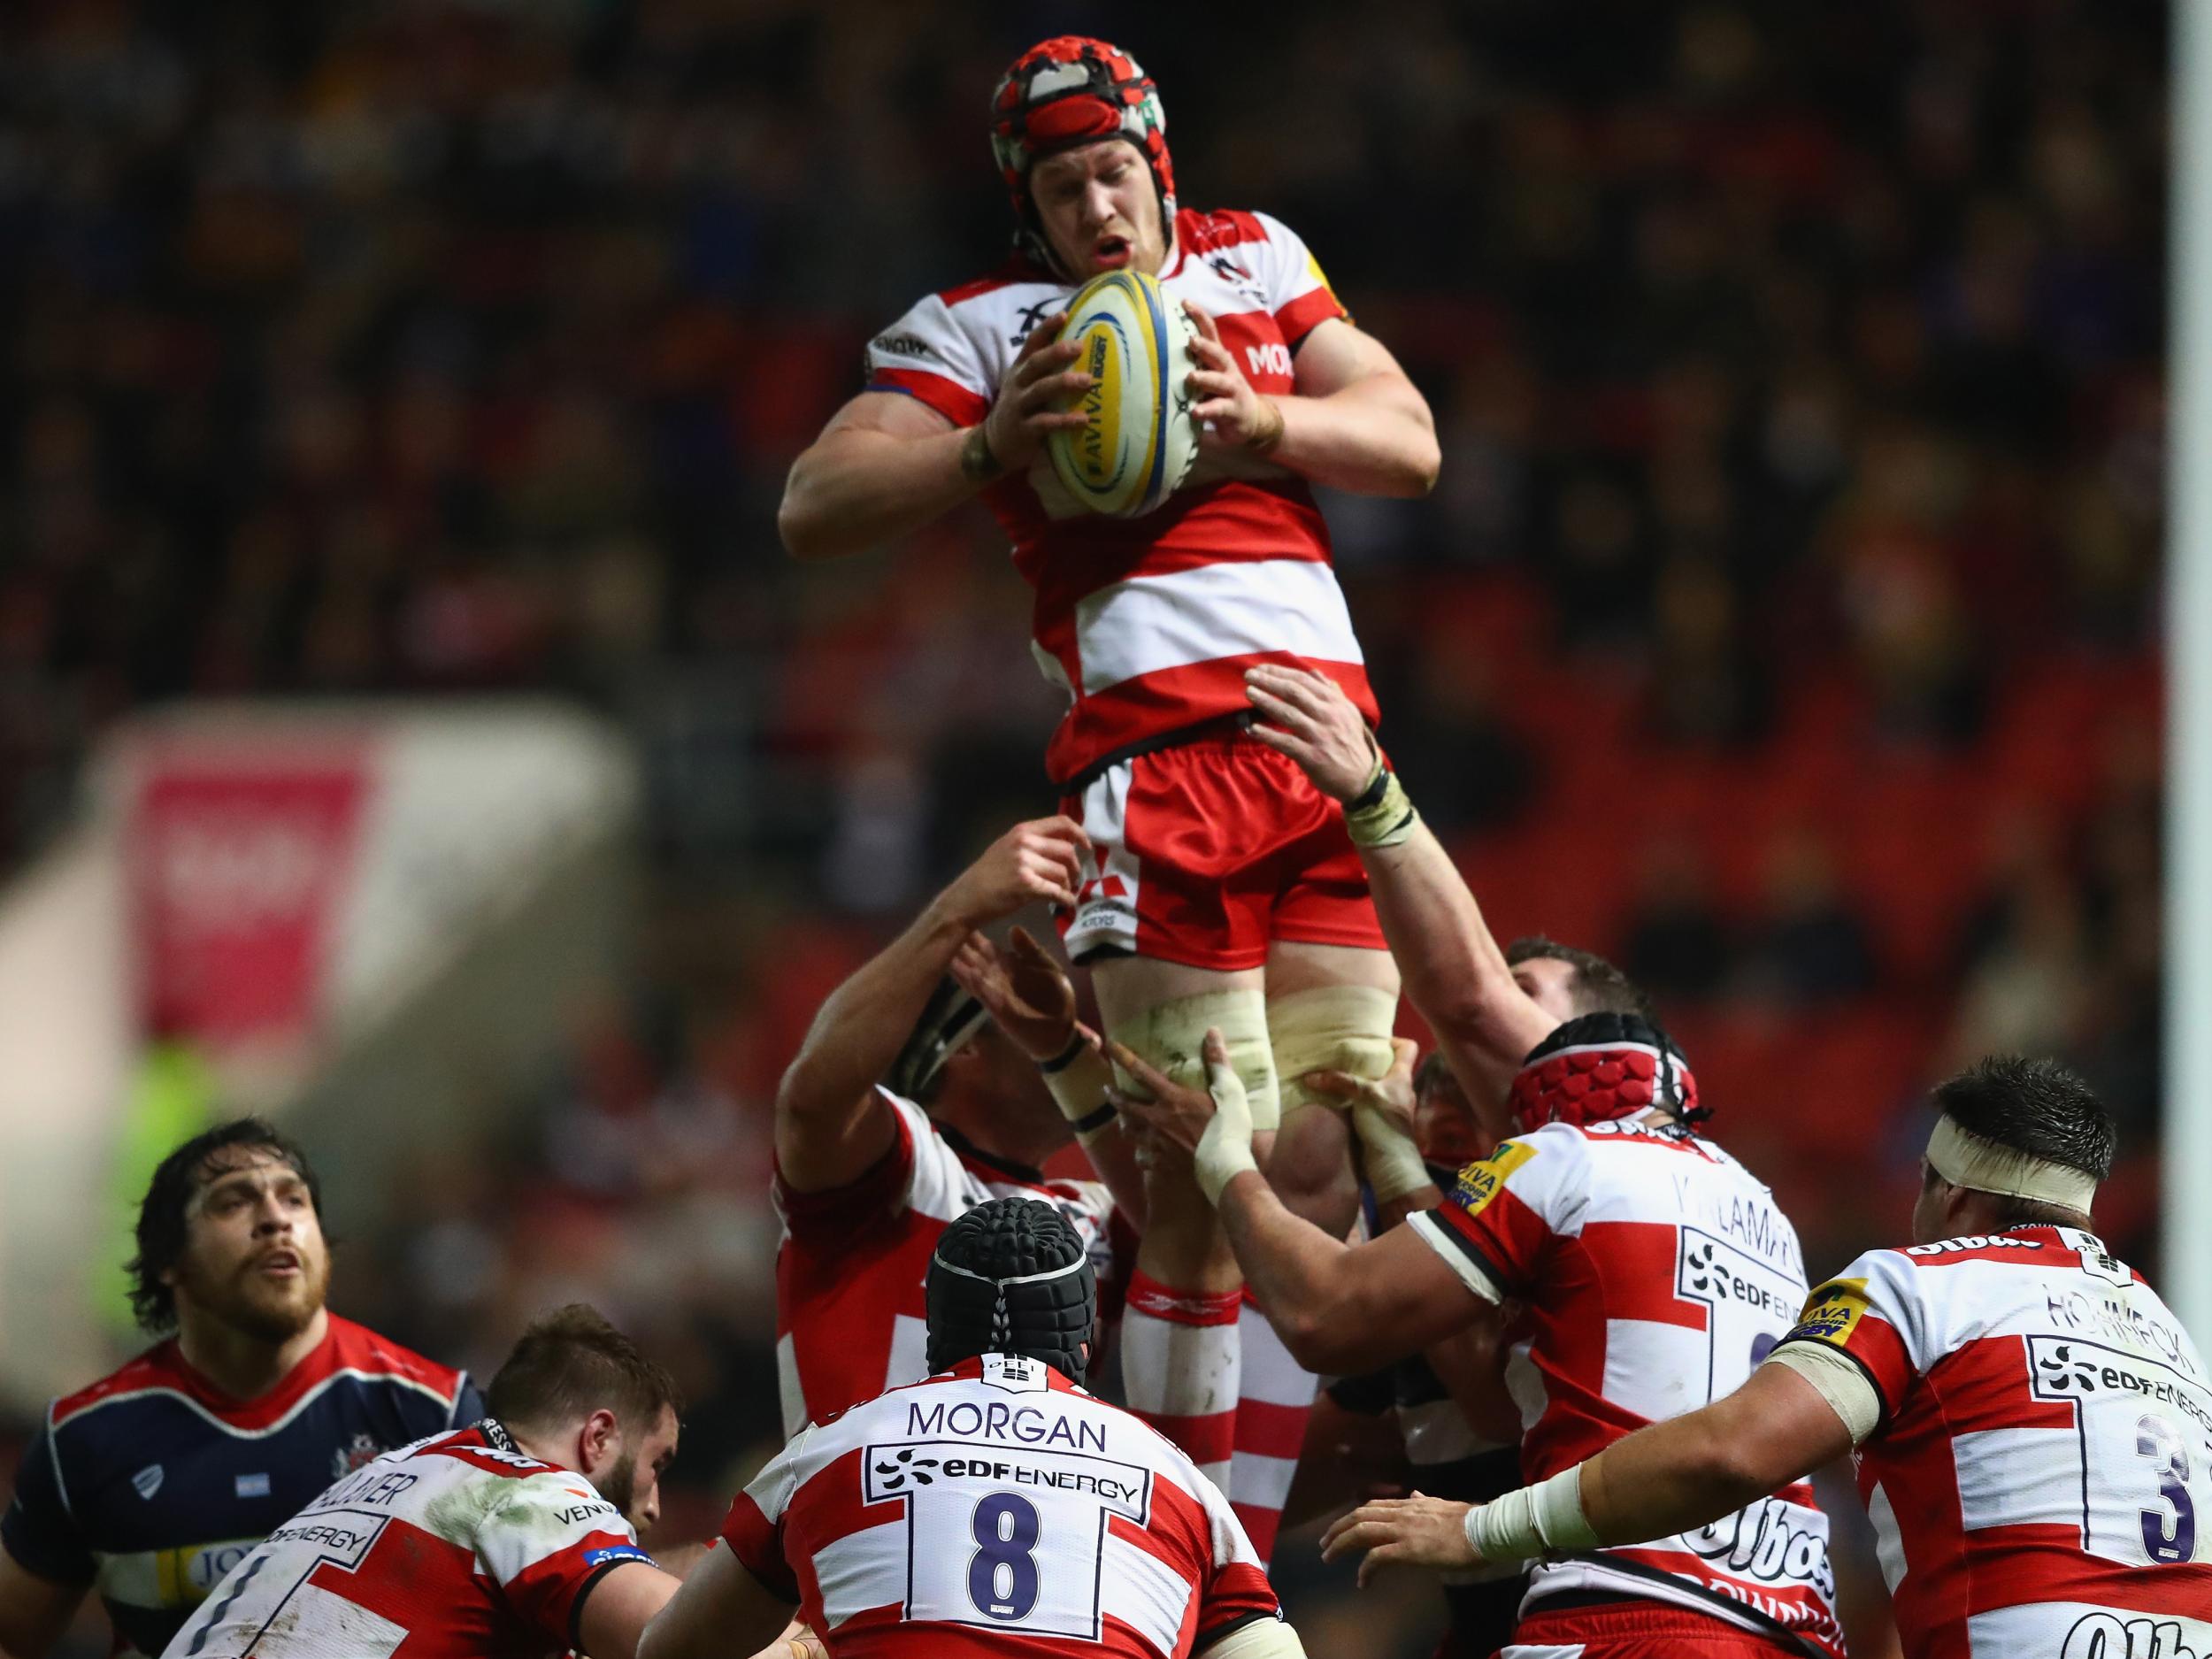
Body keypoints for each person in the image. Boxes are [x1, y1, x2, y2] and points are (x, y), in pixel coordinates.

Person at [777, 35, 1440, 1553]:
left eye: (1112, 171)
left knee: (1328, 1147)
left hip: (1331, 754)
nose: (1095, 204)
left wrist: (1270, 426)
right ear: (1028, 204)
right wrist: (983, 449)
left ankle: (1239, 1546)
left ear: (1160, 166)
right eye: (1061, 183)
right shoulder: (984, 326)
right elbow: (815, 504)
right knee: (1199, 1179)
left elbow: (1409, 439)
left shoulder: (1260, 260)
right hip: (1164, 766)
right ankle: (1190, 1563)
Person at [1114, 664, 1845, 1657]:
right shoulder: (1747, 1198)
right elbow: (1371, 1433)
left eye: (1526, 992)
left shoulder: (1561, 1165)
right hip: (1777, 1621)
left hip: (1614, 1608)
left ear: (1585, 1045)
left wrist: (1227, 1164)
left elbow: (1348, 1318)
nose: (1486, 1028)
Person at [1323, 1057, 2212, 1659]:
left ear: (1949, 1192)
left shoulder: (1922, 1286)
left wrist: (1483, 1528)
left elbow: (1726, 1453)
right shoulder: (2171, 1336)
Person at [641, 1197, 1308, 1659]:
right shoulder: (1180, 1480)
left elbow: (669, 1648)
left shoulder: (825, 1451)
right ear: (1085, 1340)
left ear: (936, 1329)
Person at [0, 1121, 480, 1659]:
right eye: (233, 1203)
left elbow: (528, 1619)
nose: (276, 1220)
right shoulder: (84, 1440)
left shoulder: (435, 1412)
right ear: (168, 1260)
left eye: (295, 1201)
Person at [772, 816, 1127, 1439]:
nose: (1080, 1035)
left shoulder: (1096, 1213)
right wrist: (955, 909)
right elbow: (810, 1101)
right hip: (870, 1526)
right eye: (1042, 1016)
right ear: (963, 1052)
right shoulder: (903, 1171)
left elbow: (1208, 1251)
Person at [161, 1304, 682, 1659]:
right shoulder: (528, 1493)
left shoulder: (392, 1473)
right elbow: (680, 1641)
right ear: (598, 1437)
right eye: (656, 1465)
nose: (654, 1505)